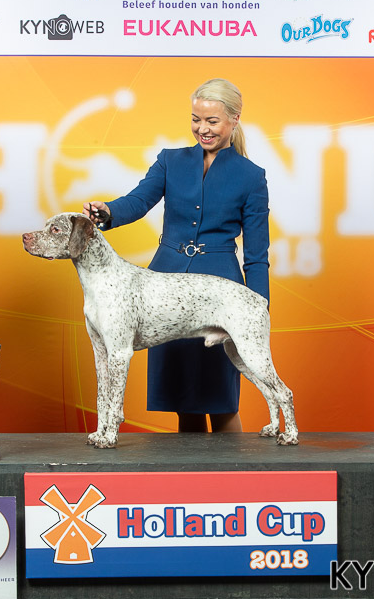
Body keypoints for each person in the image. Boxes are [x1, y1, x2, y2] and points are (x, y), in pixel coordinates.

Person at [83, 78, 270, 435]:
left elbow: (257, 254)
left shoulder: (252, 177)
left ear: (234, 119)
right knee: (184, 401)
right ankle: (191, 472)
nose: (202, 129)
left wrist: (259, 305)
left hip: (220, 292)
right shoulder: (170, 161)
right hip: (162, 290)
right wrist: (108, 210)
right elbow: (138, 200)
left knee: (221, 401)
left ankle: (234, 471)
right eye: (196, 119)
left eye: (212, 121)